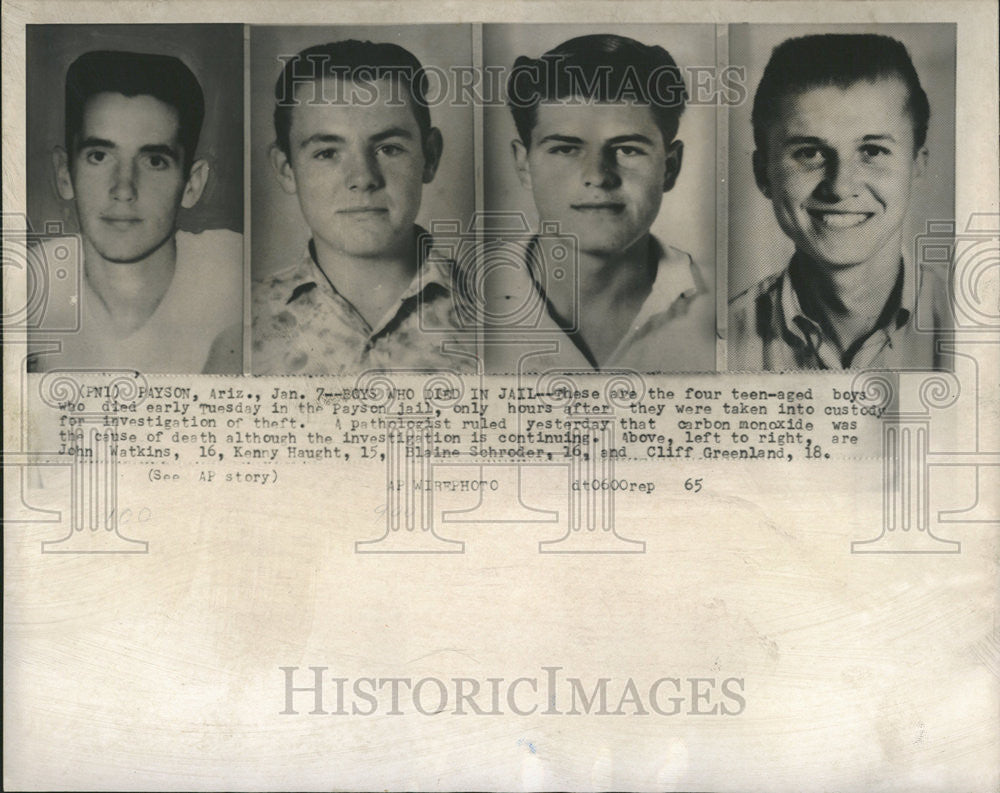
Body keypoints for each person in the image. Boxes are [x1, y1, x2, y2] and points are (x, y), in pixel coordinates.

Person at [486, 33, 715, 374]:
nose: (597, 175)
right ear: (524, 164)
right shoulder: (461, 306)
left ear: (671, 166)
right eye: (565, 148)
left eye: (627, 149)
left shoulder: (727, 309)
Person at [729, 33, 952, 371]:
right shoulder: (719, 341)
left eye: (872, 150)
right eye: (809, 153)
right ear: (763, 173)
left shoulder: (974, 328)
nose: (839, 187)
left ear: (916, 164)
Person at [252, 40, 475, 375]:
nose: (363, 178)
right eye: (327, 153)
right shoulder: (243, 320)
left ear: (429, 157)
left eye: (388, 148)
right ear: (286, 169)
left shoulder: (501, 310)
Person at [29, 49, 243, 374]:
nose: (124, 189)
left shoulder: (241, 275)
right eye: (99, 156)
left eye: (154, 161)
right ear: (64, 174)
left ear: (192, 184)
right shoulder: (24, 289)